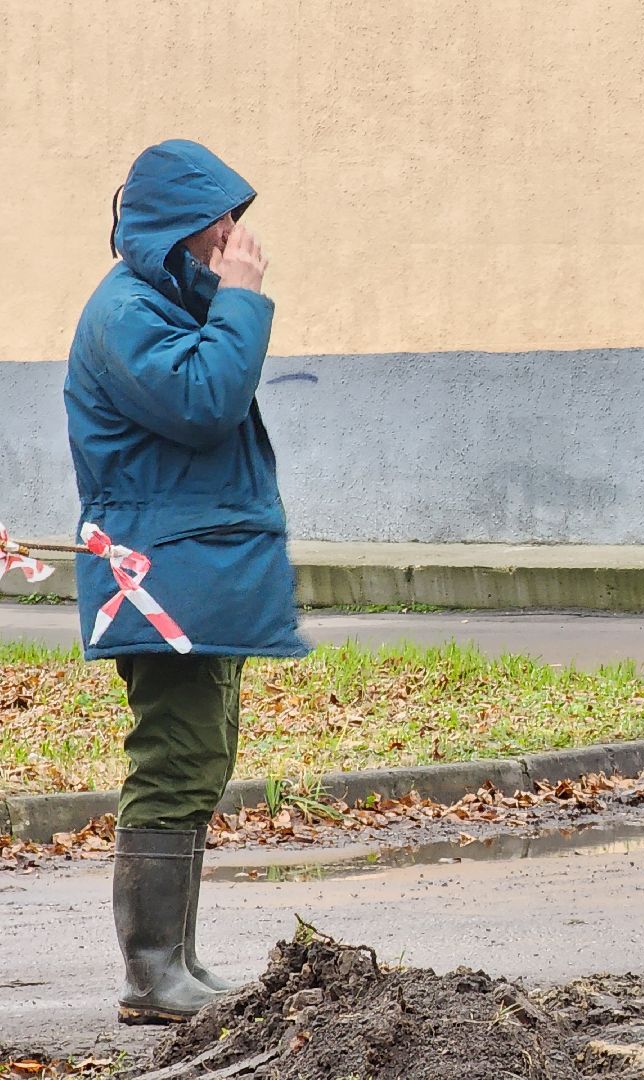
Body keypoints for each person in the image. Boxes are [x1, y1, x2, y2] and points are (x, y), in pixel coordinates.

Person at [65, 140, 308, 1024]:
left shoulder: (161, 301)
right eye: (223, 226)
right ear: (180, 229)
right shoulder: (126, 311)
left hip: (195, 568)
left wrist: (223, 296)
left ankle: (179, 963)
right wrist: (240, 298)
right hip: (161, 578)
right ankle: (151, 973)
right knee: (172, 761)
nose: (237, 239)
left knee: (200, 756)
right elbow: (207, 402)